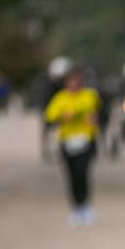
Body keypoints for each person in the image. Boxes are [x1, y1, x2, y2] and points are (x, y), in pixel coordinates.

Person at [45, 67, 101, 226]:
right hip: (67, 141)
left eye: (77, 81)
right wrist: (62, 116)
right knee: (72, 176)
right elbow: (50, 115)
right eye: (71, 81)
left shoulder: (88, 95)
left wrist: (91, 117)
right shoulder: (60, 98)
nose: (74, 84)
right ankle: (76, 208)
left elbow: (94, 108)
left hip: (85, 140)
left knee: (82, 173)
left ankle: (86, 206)